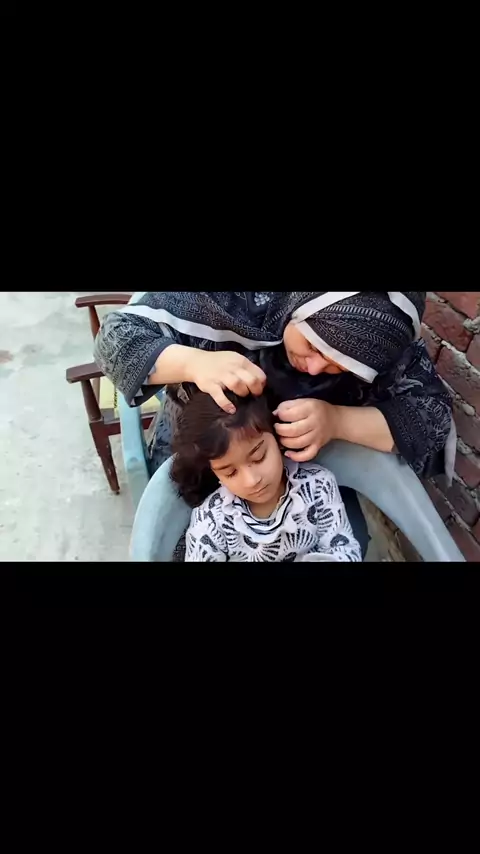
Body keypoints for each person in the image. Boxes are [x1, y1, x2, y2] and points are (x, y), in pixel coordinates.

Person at [93, 291, 454, 555]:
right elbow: (114, 338)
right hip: (205, 457)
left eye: (340, 366)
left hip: (305, 475)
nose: (314, 367)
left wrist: (338, 420)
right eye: (315, 345)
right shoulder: (232, 300)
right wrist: (194, 363)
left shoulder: (385, 337)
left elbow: (432, 417)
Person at [170, 390, 361, 563]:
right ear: (213, 471)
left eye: (259, 457)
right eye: (230, 472)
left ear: (277, 438)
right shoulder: (211, 518)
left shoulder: (318, 487)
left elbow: (344, 550)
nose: (252, 480)